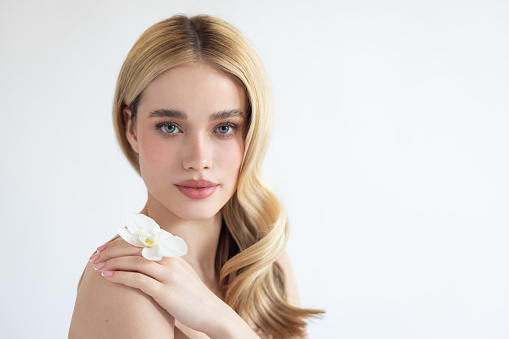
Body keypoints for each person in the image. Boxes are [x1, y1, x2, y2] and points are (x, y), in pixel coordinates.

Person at [69, 14, 322, 338]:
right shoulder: (125, 283)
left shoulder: (264, 264)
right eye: (170, 127)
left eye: (224, 128)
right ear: (131, 127)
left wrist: (219, 319)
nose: (198, 160)